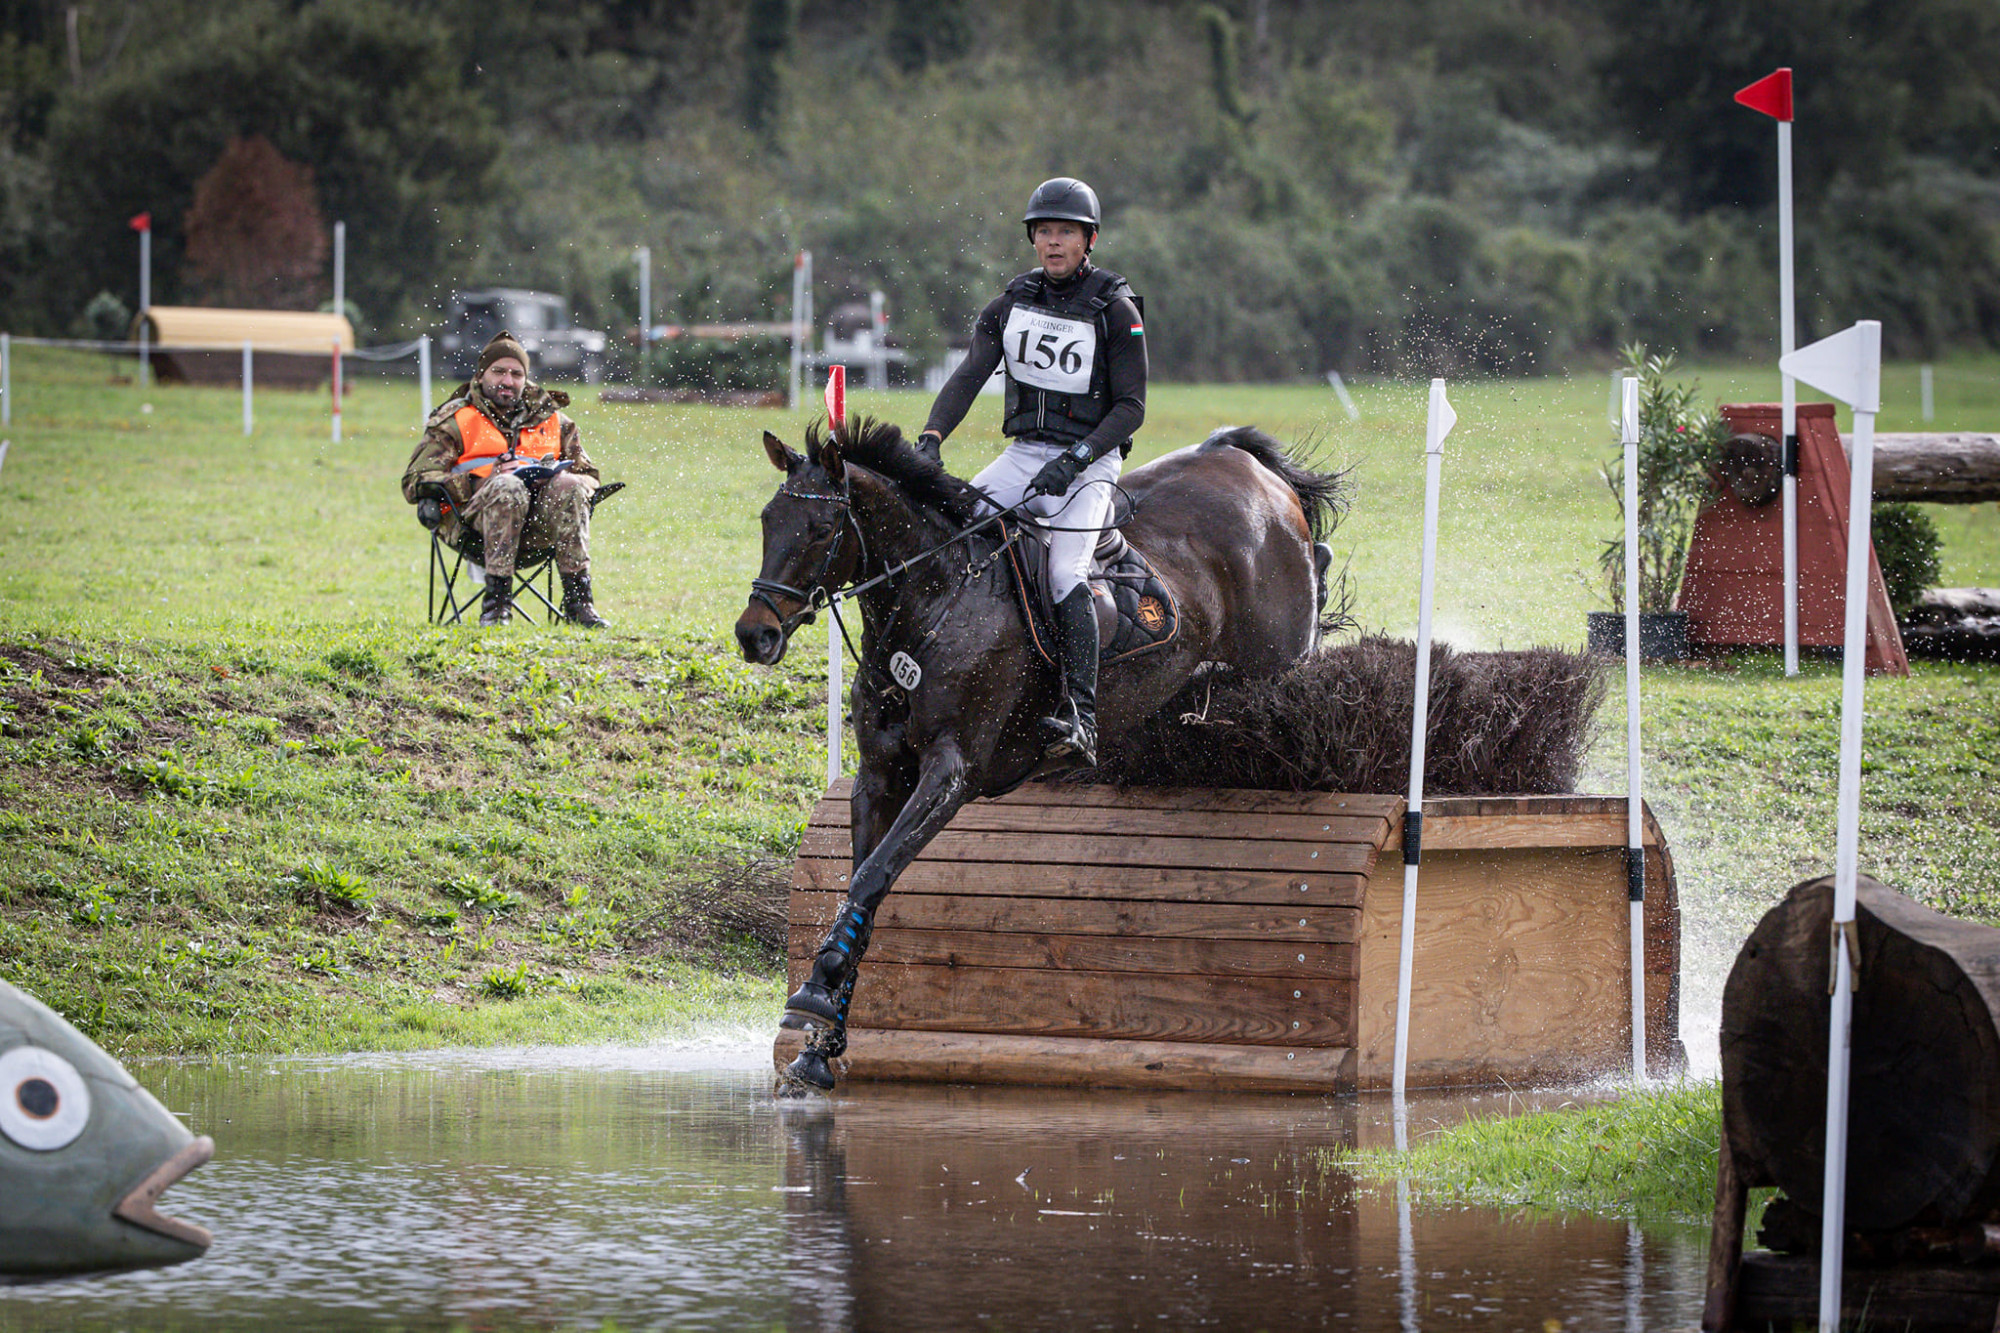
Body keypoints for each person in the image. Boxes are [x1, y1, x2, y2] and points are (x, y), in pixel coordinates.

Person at [915, 176, 1147, 769]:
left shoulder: (1115, 310)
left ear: (1088, 239)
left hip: (1092, 459)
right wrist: (931, 439)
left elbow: (1131, 408)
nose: (1052, 242)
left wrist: (1075, 461)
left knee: (1065, 569)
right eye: (1043, 231)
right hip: (1024, 453)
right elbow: (969, 376)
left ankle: (1081, 715)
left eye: (1064, 232)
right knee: (961, 530)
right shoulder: (1011, 303)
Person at [402, 330, 608, 628]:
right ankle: (496, 606)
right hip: (472, 526)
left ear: (526, 379)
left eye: (516, 374)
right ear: (481, 374)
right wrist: (477, 482)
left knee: (570, 485)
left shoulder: (555, 421)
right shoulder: (455, 420)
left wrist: (553, 480)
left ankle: (579, 605)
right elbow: (415, 481)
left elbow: (589, 476)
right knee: (508, 487)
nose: (507, 381)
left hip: (540, 529)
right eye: (498, 371)